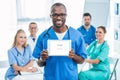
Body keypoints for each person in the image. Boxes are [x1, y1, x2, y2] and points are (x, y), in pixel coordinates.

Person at [32, 3, 87, 80]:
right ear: (50, 16)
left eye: (62, 14)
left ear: (66, 15)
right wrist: (42, 59)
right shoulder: (43, 36)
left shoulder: (77, 35)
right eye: (55, 15)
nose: (58, 17)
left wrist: (74, 56)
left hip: (70, 77)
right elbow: (39, 63)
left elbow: (82, 60)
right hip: (50, 77)